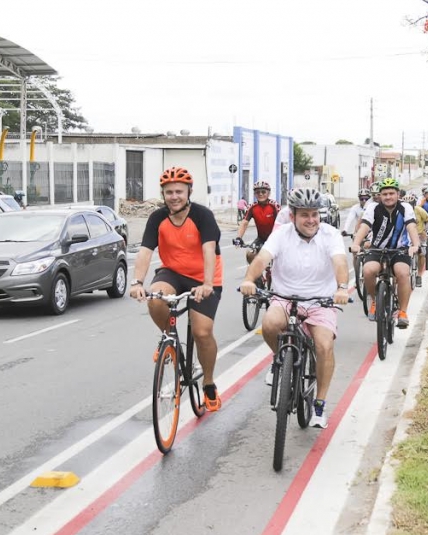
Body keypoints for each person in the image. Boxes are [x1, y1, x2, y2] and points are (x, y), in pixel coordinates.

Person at [239, 188, 350, 428]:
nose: (311, 220)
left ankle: (319, 404)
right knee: (269, 325)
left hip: (320, 301)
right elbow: (262, 259)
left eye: (314, 215)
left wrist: (341, 287)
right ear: (293, 216)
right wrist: (249, 280)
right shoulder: (281, 235)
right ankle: (279, 359)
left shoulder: (330, 234)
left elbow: (340, 262)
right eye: (304, 215)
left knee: (324, 345)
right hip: (285, 297)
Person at [131, 167, 225, 411]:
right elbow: (145, 251)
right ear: (163, 194)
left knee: (202, 333)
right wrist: (137, 282)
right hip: (173, 272)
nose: (174, 196)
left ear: (189, 192)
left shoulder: (203, 215)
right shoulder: (157, 218)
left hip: (205, 276)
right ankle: (168, 338)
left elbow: (208, 250)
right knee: (155, 298)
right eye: (169, 192)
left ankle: (208, 383)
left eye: (179, 192)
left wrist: (206, 284)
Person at [350, 177, 420, 328]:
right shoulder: (372, 208)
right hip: (377, 248)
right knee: (368, 271)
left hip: (399, 249)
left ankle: (402, 312)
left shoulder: (405, 207)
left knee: (402, 273)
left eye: (391, 193)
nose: (388, 197)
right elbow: (365, 226)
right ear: (379, 196)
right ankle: (375, 301)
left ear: (397, 194)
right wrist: (356, 244)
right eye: (384, 194)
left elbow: (411, 226)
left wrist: (415, 245)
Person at [234, 180, 280, 268]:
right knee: (250, 254)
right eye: (257, 192)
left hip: (275, 238)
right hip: (261, 238)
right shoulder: (252, 207)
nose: (260, 194)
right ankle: (258, 278)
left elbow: (282, 223)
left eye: (263, 192)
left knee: (279, 262)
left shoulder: (274, 205)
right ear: (254, 194)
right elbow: (244, 223)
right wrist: (238, 238)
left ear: (269, 193)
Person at [404, 193, 428, 287]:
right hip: (406, 236)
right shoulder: (400, 211)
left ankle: (419, 275)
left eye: (411, 204)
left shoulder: (419, 210)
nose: (409, 206)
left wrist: (424, 230)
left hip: (419, 234)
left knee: (421, 254)